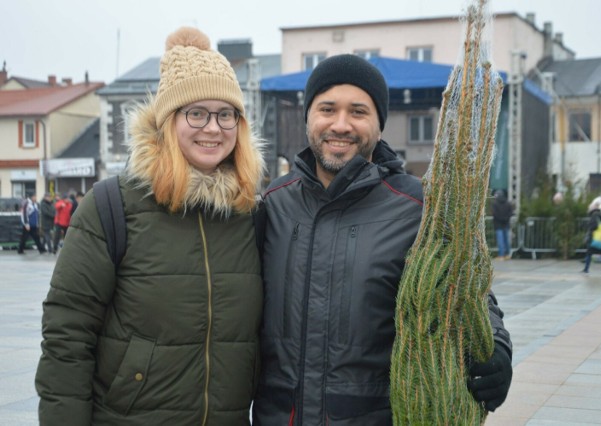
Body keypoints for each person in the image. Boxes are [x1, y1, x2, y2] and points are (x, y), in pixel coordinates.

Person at [252, 54, 513, 425]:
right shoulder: (273, 204)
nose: (340, 124)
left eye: (358, 111)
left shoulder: (418, 208)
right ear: (308, 116)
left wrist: (497, 347)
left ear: (379, 124)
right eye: (327, 108)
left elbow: (467, 291)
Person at [35, 27, 265, 425]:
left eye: (226, 114)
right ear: (167, 121)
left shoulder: (250, 214)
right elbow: (67, 335)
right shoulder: (112, 207)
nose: (213, 128)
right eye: (196, 112)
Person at [492, 189, 514, 260]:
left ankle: (501, 255)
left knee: (500, 240)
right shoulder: (508, 203)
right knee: (506, 240)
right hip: (506, 224)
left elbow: (494, 214)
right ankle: (507, 255)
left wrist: (500, 219)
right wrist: (506, 218)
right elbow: (511, 213)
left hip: (498, 224)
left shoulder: (495, 204)